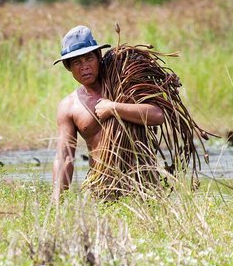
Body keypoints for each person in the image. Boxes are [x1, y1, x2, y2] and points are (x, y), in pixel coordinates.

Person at [51, 25, 165, 202]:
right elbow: (64, 156)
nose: (84, 67)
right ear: (68, 68)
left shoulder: (125, 87)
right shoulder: (69, 107)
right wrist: (56, 201)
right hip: (102, 188)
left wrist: (113, 108)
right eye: (76, 62)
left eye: (89, 58)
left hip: (143, 185)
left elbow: (157, 116)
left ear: (99, 57)